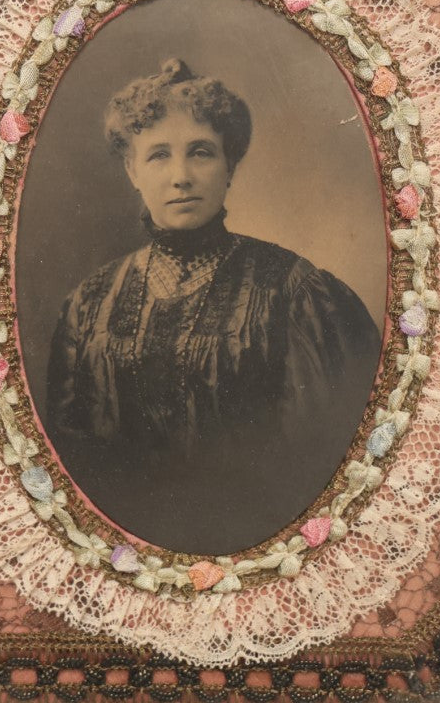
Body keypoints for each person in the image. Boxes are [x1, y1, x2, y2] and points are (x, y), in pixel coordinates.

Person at [46, 59, 381, 554]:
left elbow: (325, 461)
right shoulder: (89, 303)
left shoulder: (295, 292)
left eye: (200, 153)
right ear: (131, 171)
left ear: (230, 166)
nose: (181, 176)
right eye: (158, 155)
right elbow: (69, 459)